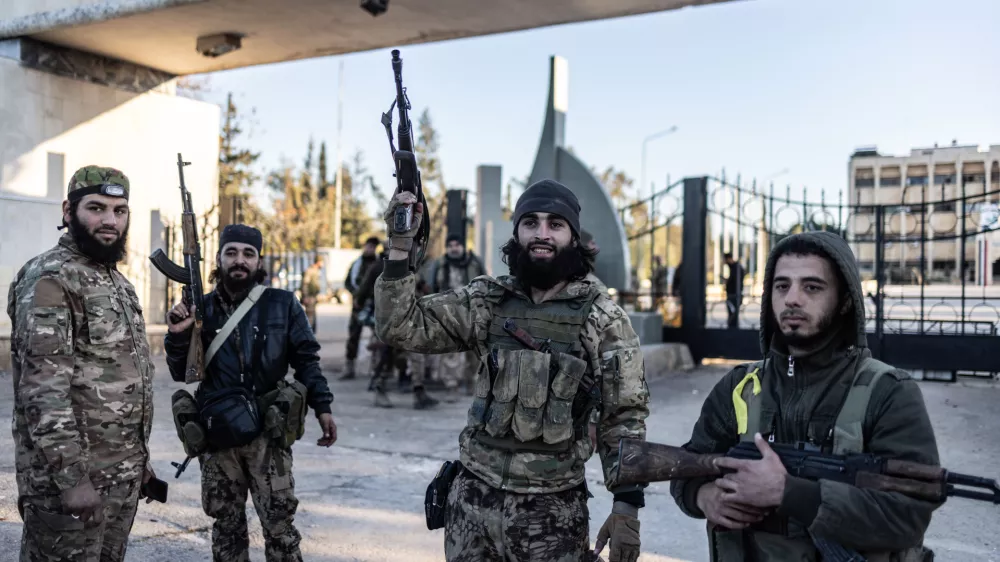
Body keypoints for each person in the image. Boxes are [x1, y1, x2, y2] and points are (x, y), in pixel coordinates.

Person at [375, 179, 650, 562]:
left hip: (552, 515)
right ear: (517, 232)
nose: (542, 234)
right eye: (531, 223)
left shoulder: (603, 318)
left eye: (555, 224)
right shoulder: (486, 301)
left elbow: (625, 418)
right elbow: (399, 325)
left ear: (573, 236)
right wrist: (400, 245)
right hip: (471, 507)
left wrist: (626, 509)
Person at [669, 231, 941, 561]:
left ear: (844, 300)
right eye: (782, 286)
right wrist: (703, 496)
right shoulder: (741, 386)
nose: (792, 299)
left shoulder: (889, 393)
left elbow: (907, 516)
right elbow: (687, 465)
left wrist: (789, 493)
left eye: (812, 287)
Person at [8, 165, 156, 561]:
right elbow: (43, 391)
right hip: (68, 487)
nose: (110, 221)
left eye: (120, 210)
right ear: (68, 211)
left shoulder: (116, 282)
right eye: (96, 208)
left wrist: (139, 463)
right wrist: (72, 481)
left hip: (118, 481)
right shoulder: (51, 278)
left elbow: (126, 378)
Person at [165, 224, 337, 562]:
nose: (239, 261)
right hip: (218, 435)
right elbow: (180, 373)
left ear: (259, 262)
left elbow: (307, 361)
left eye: (248, 254)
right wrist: (177, 334)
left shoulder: (283, 304)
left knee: (280, 528)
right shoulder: (201, 308)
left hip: (267, 434)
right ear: (219, 259)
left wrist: (323, 407)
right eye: (231, 253)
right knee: (226, 529)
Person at [352, 246, 439, 410]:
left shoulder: (410, 266)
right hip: (389, 319)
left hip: (410, 317)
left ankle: (418, 391)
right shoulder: (380, 267)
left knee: (414, 354)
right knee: (387, 356)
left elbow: (420, 287)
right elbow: (364, 290)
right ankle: (380, 388)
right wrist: (361, 306)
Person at [427, 234, 487, 400]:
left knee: (475, 350)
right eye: (451, 245)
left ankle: (471, 383)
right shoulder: (440, 264)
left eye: (457, 245)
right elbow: (433, 287)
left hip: (472, 311)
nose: (454, 248)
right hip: (449, 313)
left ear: (462, 246)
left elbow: (485, 283)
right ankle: (451, 386)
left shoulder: (474, 262)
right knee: (451, 351)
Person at [341, 236, 381, 379]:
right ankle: (349, 367)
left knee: (378, 336)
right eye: (369, 246)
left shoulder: (378, 264)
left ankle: (378, 369)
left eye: (373, 247)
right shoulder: (356, 264)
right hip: (358, 306)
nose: (370, 249)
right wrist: (356, 294)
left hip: (374, 305)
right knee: (353, 336)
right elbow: (347, 282)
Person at [300, 256, 323, 334]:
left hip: (313, 296)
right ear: (318, 262)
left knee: (312, 316)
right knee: (310, 317)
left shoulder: (316, 271)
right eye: (321, 262)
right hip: (309, 297)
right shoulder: (310, 271)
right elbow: (305, 284)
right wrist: (305, 296)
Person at [723, 252, 745, 328]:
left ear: (728, 259)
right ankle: (733, 329)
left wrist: (727, 282)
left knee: (733, 314)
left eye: (725, 260)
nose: (724, 262)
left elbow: (735, 281)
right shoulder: (735, 267)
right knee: (733, 314)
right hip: (733, 294)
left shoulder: (736, 268)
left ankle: (733, 330)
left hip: (734, 295)